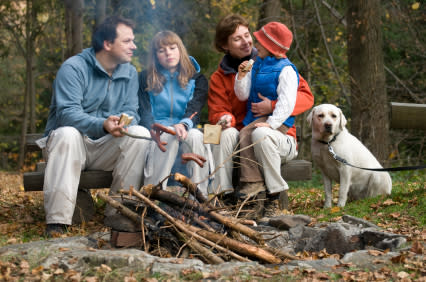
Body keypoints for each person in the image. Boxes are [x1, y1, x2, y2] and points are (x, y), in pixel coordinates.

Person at [39, 16, 152, 237]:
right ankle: (57, 223)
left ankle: (118, 213)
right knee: (67, 133)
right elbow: (67, 114)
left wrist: (123, 122)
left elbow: (132, 110)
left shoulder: (129, 72)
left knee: (140, 133)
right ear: (108, 44)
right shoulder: (73, 68)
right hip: (72, 144)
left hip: (105, 146)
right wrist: (102, 124)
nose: (134, 46)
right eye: (128, 41)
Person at [208, 15, 314, 213]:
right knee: (224, 133)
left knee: (258, 135)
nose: (247, 42)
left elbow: (306, 97)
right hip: (240, 138)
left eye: (247, 35)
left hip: (271, 134)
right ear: (225, 45)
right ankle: (222, 197)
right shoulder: (219, 77)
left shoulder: (274, 64)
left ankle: (267, 198)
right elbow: (216, 112)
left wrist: (272, 106)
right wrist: (225, 118)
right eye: (237, 39)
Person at [138, 30, 210, 196]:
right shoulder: (145, 78)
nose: (168, 53)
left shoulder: (196, 79)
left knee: (196, 137)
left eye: (172, 47)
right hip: (158, 131)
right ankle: (155, 197)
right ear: (155, 56)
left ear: (180, 49)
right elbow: (144, 111)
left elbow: (195, 108)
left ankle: (199, 199)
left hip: (186, 127)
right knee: (167, 136)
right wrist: (159, 128)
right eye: (161, 50)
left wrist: (183, 124)